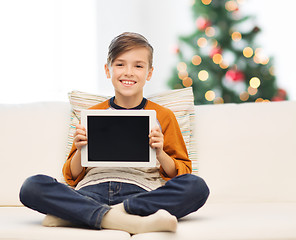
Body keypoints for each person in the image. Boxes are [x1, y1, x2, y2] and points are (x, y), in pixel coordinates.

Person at [19, 32, 209, 234]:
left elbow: (181, 173)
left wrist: (160, 152)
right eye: (120, 64)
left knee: (196, 187)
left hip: (139, 196)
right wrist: (80, 150)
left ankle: (86, 215)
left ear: (149, 73)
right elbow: (72, 176)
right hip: (91, 192)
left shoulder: (163, 116)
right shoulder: (92, 114)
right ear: (108, 70)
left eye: (138, 65)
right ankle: (127, 221)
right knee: (32, 186)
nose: (128, 72)